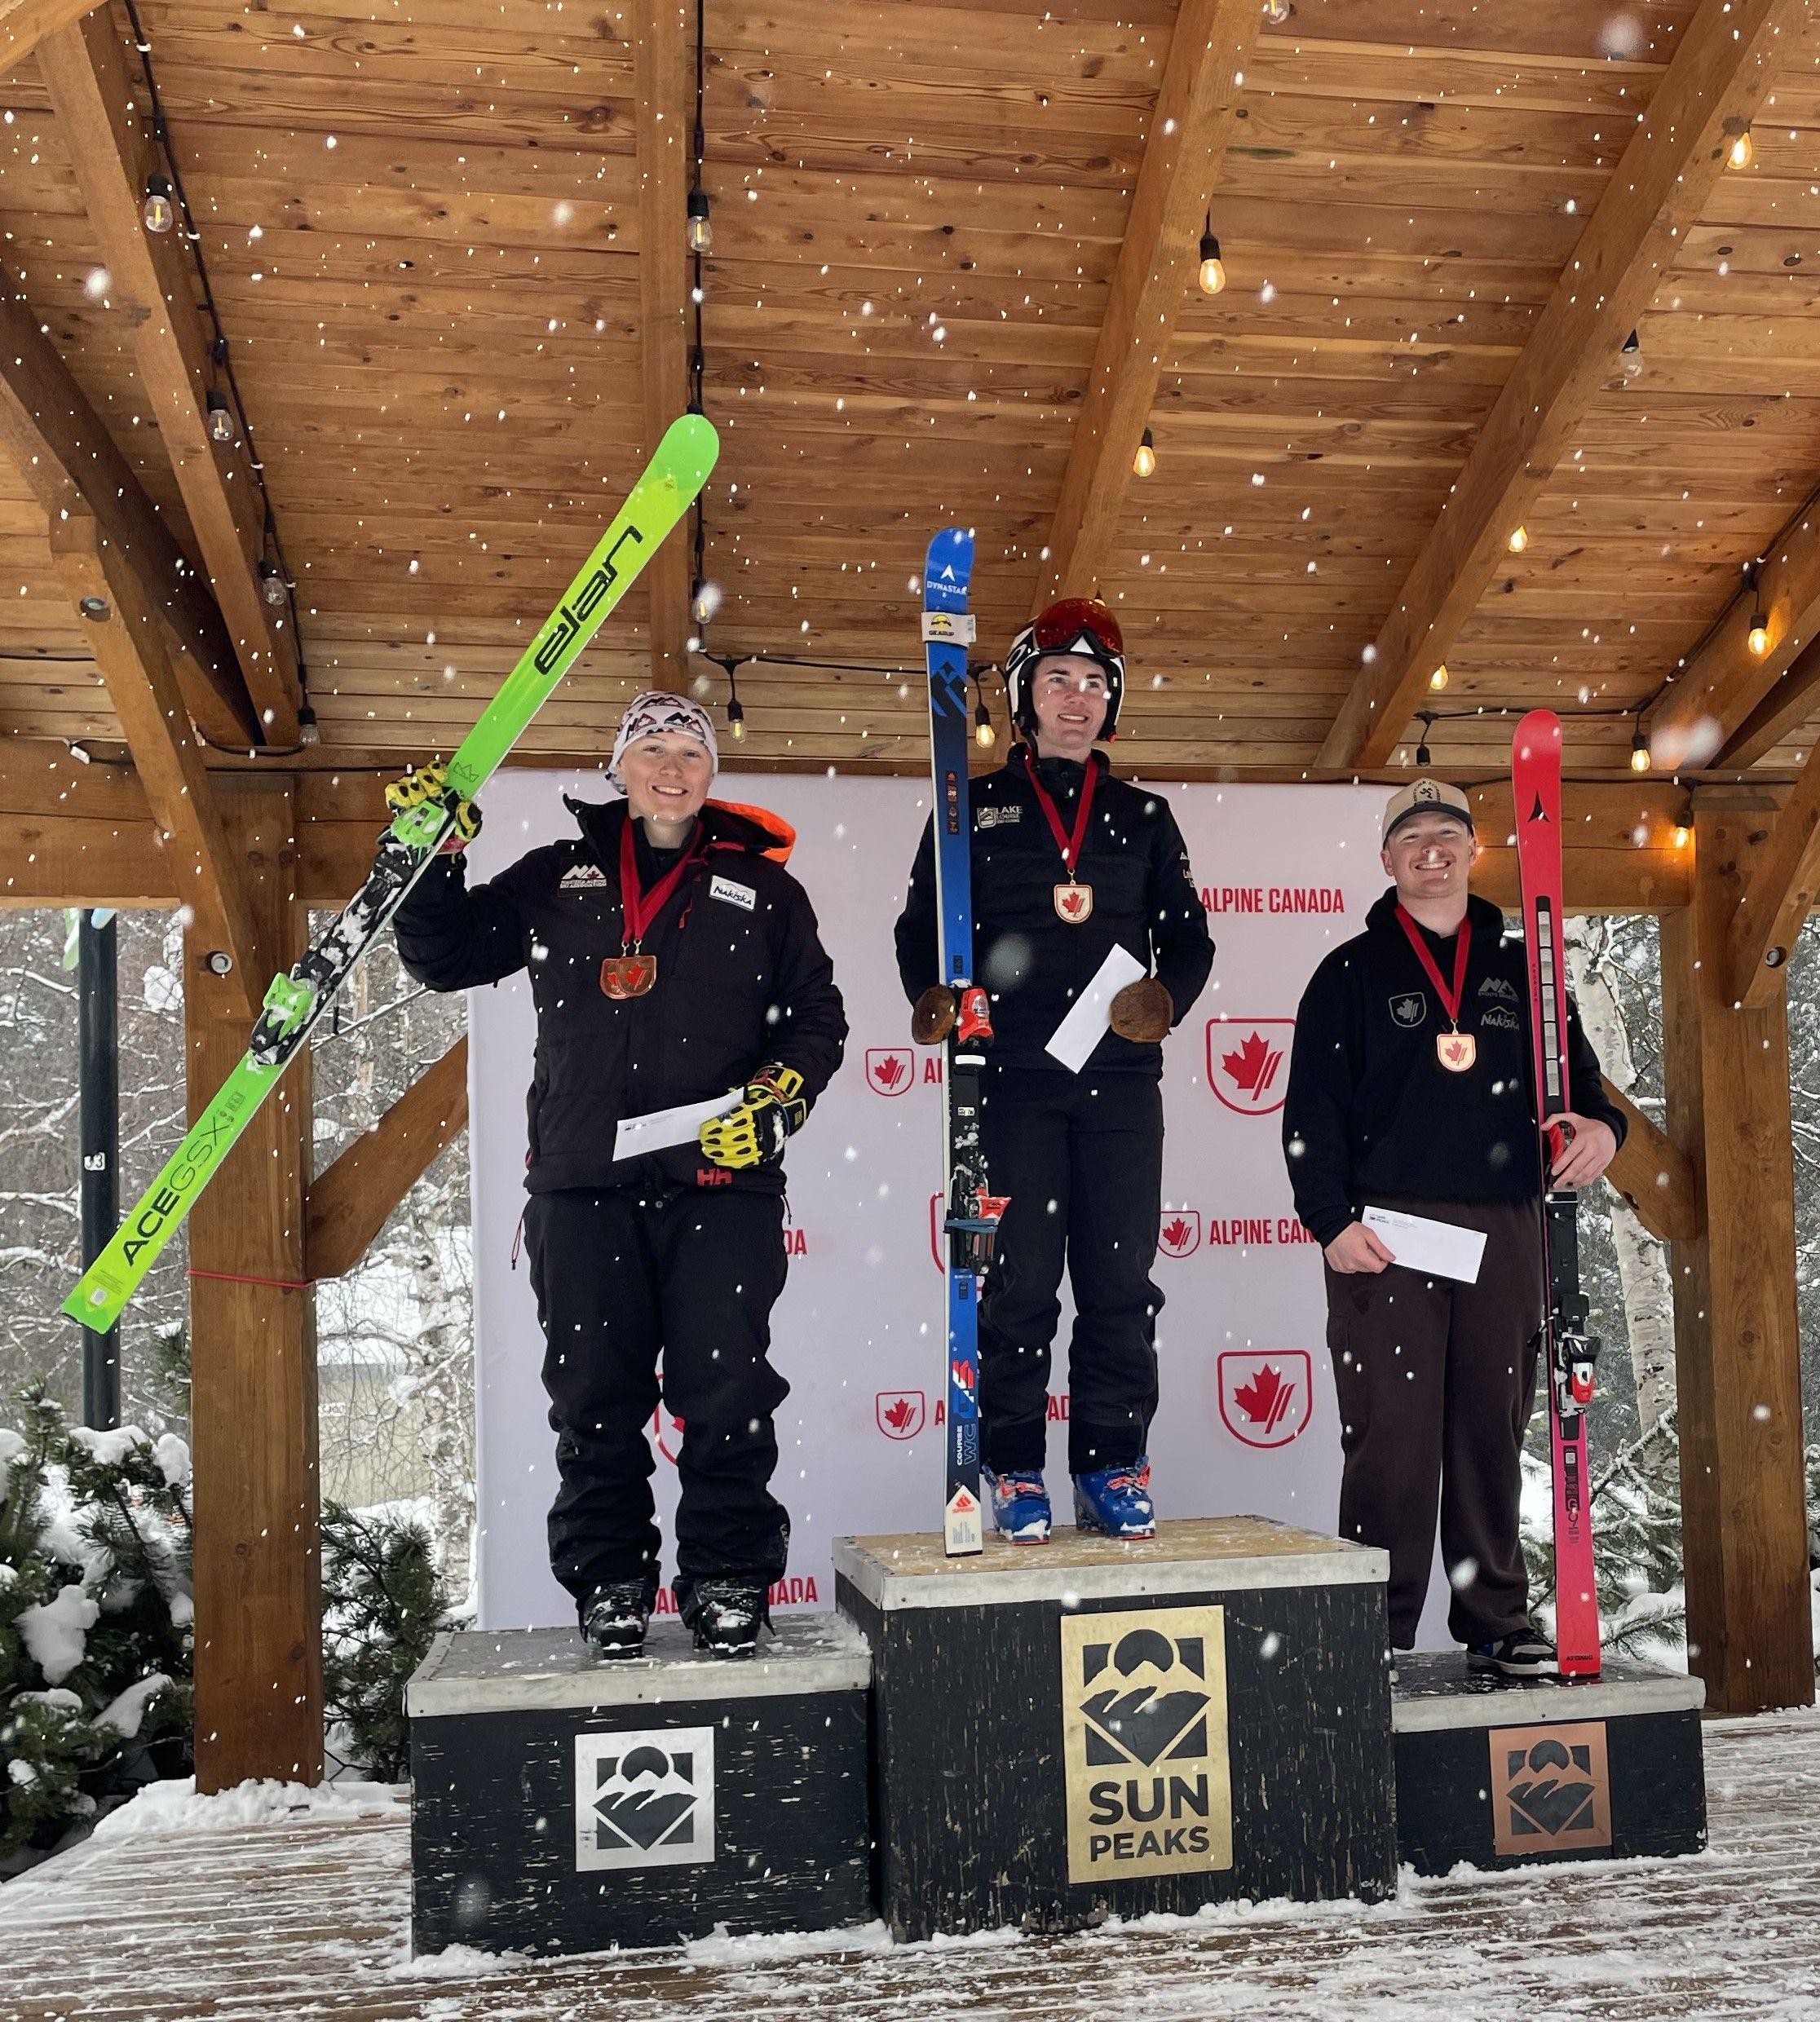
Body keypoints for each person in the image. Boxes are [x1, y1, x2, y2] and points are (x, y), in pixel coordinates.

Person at [392, 693, 846, 1659]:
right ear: (619, 769)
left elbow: (817, 1018)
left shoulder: (765, 890)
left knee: (726, 1392)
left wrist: (778, 1099)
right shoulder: (557, 876)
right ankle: (610, 1582)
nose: (672, 767)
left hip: (720, 1184)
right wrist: (432, 858)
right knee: (595, 1398)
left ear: (711, 773)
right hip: (581, 1183)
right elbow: (447, 955)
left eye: (690, 751)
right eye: (652, 748)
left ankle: (728, 1576)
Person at [1280, 778, 1624, 1675]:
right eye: (1411, 837)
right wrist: (1329, 1221)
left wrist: (1604, 1130)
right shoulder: (1349, 971)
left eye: (1446, 834)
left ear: (1474, 850)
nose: (1430, 850)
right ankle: (1374, 1630)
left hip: (1507, 1224)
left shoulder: (1524, 968)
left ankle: (1496, 1620)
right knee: (1390, 1438)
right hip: (1386, 1234)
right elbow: (1310, 1109)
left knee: (1488, 1431)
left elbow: (1583, 1087)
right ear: (1386, 858)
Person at [894, 598, 1214, 1545]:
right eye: (1058, 680)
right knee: (1022, 1284)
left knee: (1119, 1282)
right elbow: (920, 927)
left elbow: (1190, 938)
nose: (1076, 700)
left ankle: (1111, 1463)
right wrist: (933, 994)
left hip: (1118, 1085)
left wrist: (1166, 996)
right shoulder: (970, 806)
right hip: (1009, 1083)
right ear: (1025, 694)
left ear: (1112, 703)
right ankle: (1014, 1464)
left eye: (1094, 685)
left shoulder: (1145, 817)